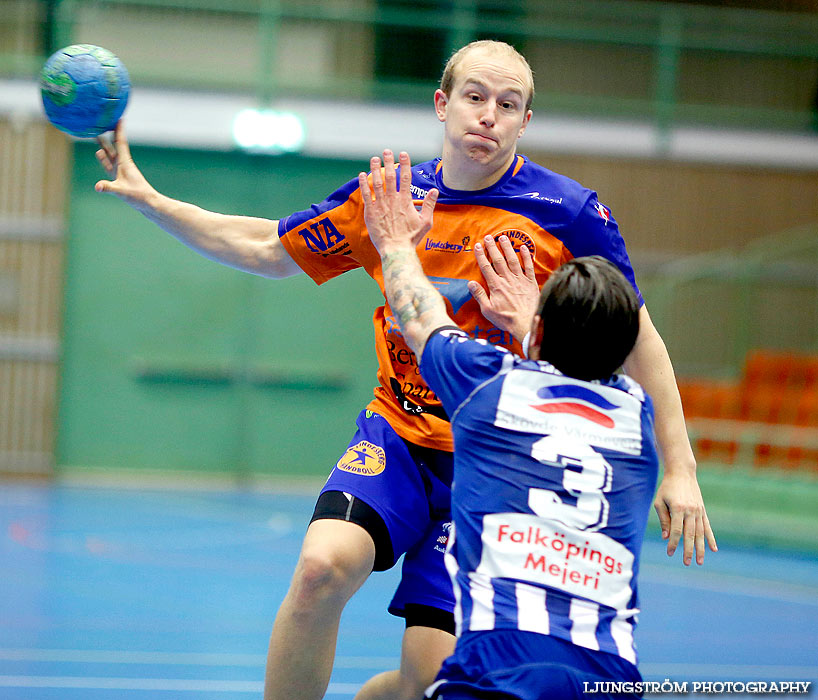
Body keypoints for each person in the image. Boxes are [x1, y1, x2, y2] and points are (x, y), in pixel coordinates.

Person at [93, 39, 715, 700]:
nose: (489, 116)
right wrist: (152, 202)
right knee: (320, 570)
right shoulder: (392, 199)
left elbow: (638, 337)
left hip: (490, 469)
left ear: (526, 121)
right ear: (443, 104)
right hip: (397, 436)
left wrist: (680, 468)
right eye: (475, 97)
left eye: (509, 105)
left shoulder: (569, 214)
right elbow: (269, 247)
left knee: (428, 677)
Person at [358, 149, 659, 699]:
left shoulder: (489, 387)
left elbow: (419, 313)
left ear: (539, 335)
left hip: (495, 674)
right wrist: (530, 321)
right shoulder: (638, 421)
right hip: (608, 683)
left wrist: (396, 242)